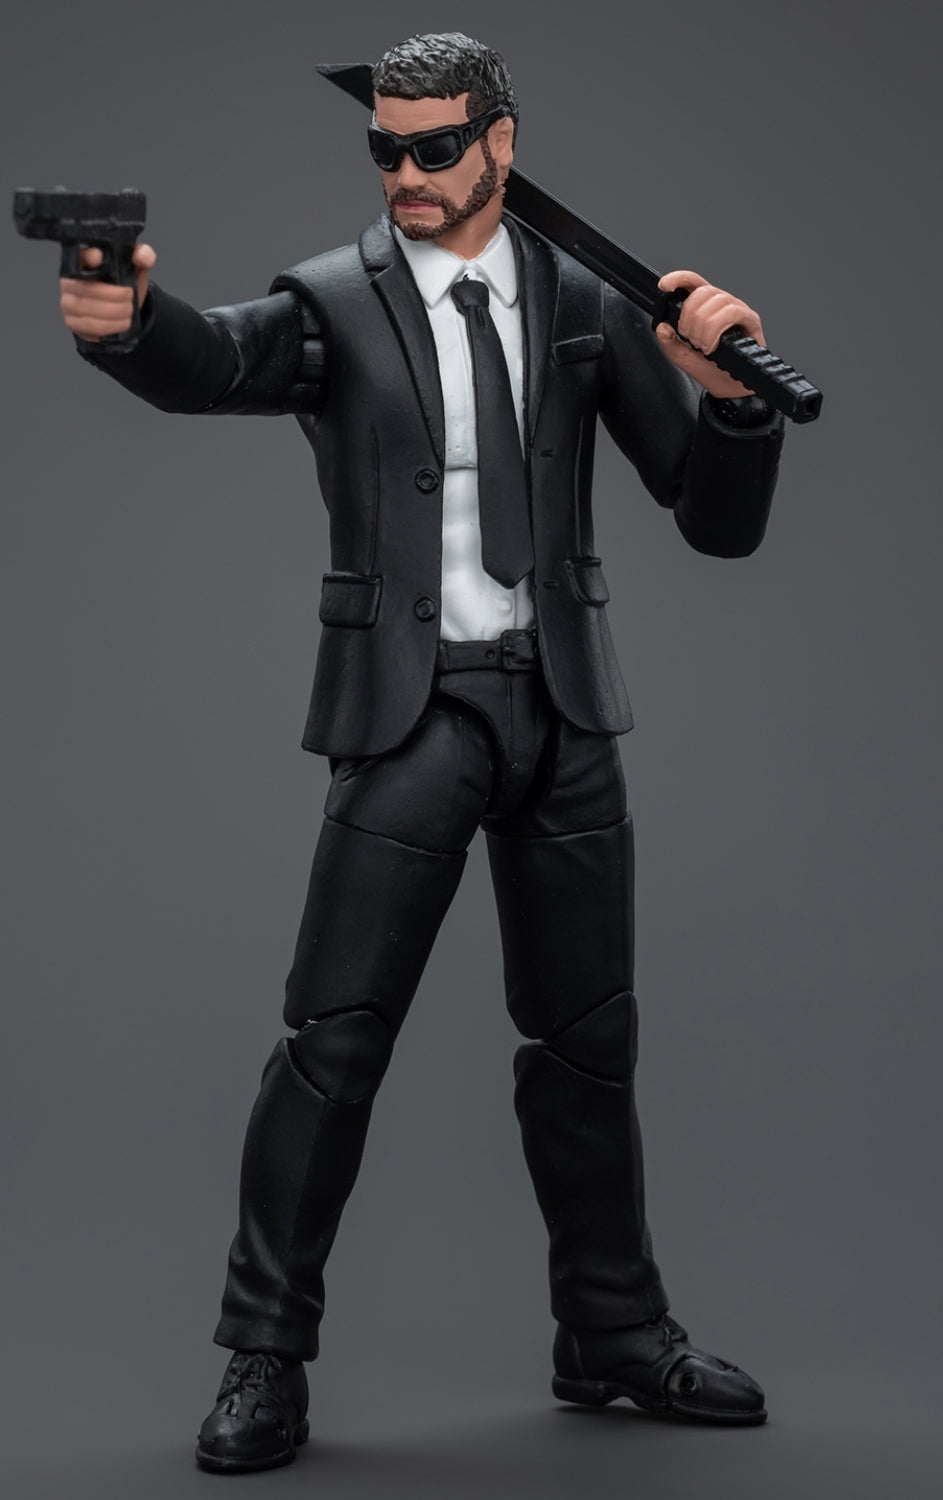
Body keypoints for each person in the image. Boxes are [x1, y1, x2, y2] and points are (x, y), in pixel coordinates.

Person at [60, 31, 784, 1475]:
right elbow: (213, 361)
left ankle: (611, 1329)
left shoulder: (584, 301)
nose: (406, 171)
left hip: (563, 701)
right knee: (331, 1043)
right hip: (411, 709)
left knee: (590, 1046)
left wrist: (735, 400)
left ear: (500, 143)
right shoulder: (334, 302)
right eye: (385, 146)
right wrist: (127, 323)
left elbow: (712, 519)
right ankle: (265, 1353)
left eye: (435, 145)